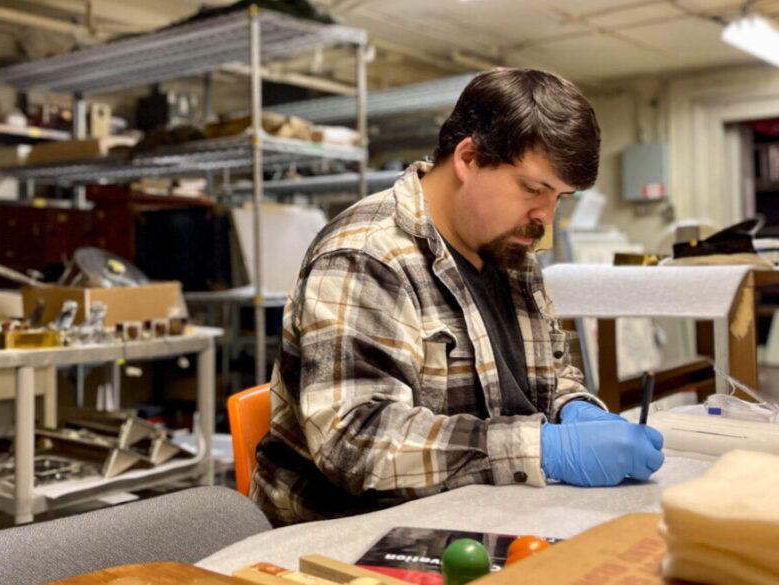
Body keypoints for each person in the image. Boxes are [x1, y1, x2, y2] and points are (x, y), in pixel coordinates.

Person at [253, 68, 665, 526]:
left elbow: (552, 374)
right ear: (469, 158)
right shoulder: (366, 254)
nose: (545, 217)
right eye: (532, 189)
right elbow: (357, 443)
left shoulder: (510, 253)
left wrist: (577, 410)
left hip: (480, 513)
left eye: (560, 198)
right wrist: (546, 450)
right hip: (346, 534)